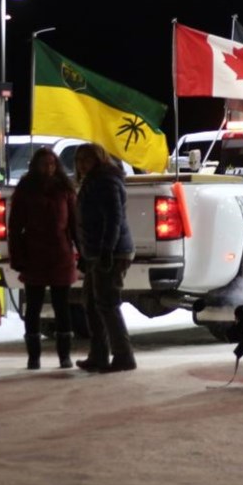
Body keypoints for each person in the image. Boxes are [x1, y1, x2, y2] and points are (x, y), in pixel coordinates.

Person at [8, 147, 79, 370]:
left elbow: (75, 224)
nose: (48, 168)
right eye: (43, 164)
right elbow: (15, 226)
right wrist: (17, 257)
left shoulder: (65, 189)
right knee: (33, 307)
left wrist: (82, 252)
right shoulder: (25, 189)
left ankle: (64, 355)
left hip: (61, 254)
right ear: (35, 166)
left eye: (51, 164)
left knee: (62, 307)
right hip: (34, 255)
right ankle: (34, 356)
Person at [73, 143, 137, 373]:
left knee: (107, 304)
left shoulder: (106, 181)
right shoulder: (91, 181)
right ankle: (99, 354)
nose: (82, 164)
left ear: (98, 160)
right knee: (91, 303)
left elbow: (113, 219)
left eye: (87, 159)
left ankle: (123, 356)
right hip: (96, 252)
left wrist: (106, 251)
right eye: (79, 159)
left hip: (111, 252)